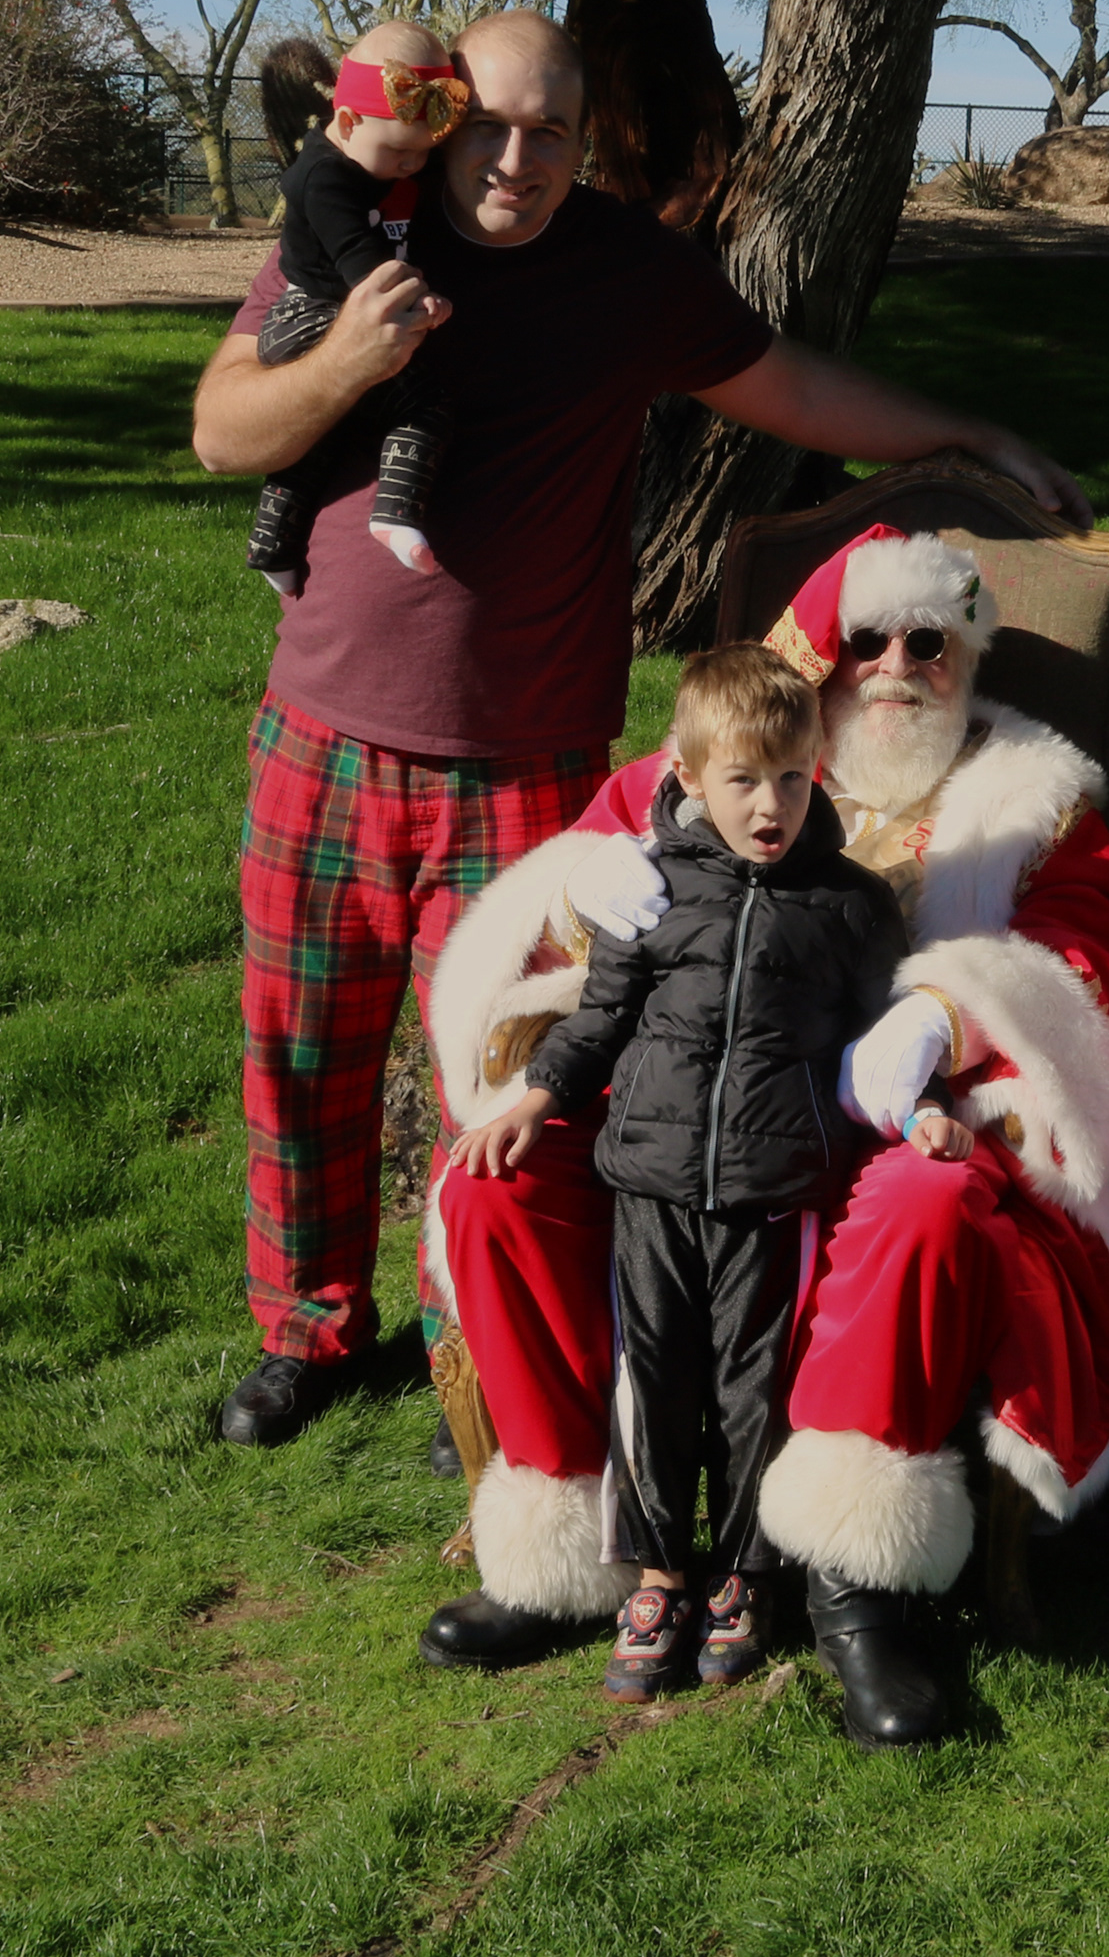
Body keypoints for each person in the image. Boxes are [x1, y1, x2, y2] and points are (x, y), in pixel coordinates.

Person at [192, 8, 1093, 1457]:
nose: (519, 157)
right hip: (325, 735)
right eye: (491, 123)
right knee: (302, 1052)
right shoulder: (358, 219)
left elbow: (792, 386)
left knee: (517, 1068)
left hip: (526, 753)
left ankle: (480, 1343)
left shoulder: (626, 271)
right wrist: (351, 356)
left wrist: (966, 435)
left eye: (553, 130)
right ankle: (306, 1331)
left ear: (585, 142)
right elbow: (226, 432)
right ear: (440, 115)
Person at [420, 527, 1109, 1749]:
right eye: (866, 640)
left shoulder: (1028, 800)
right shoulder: (710, 768)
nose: (897, 666)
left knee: (927, 1201)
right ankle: (566, 1551)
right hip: (688, 1117)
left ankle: (852, 1586)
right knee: (495, 1186)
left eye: (929, 641)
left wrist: (948, 1012)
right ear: (817, 659)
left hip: (903, 1120)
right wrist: (577, 884)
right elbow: (567, 953)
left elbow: (1104, 969)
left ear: (966, 657)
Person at [451, 644, 913, 1701]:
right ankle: (659, 1572)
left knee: (755, 1391)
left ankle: (746, 1574)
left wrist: (915, 1108)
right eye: (743, 779)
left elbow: (879, 1043)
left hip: (773, 1193)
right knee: (651, 1383)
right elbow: (602, 1016)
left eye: (792, 777)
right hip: (651, 1186)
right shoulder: (653, 890)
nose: (771, 805)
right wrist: (536, 1097)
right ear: (693, 777)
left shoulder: (850, 906)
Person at [247, 19, 469, 590]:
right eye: (400, 152)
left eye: (425, 153)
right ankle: (395, 514)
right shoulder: (323, 179)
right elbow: (360, 262)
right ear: (346, 122)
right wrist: (417, 300)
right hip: (307, 315)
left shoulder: (379, 154)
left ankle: (273, 547)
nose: (413, 166)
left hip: (325, 310)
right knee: (423, 401)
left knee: (326, 431)